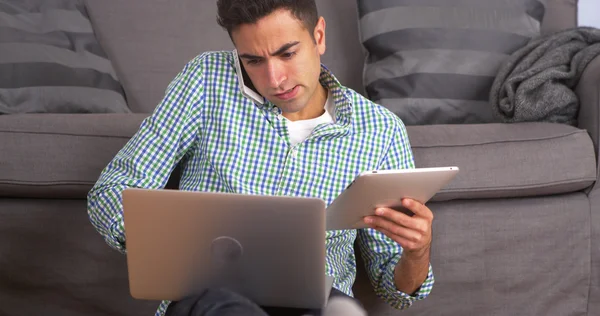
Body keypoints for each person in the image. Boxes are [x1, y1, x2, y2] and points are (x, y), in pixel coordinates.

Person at [87, 0, 435, 315]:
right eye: (253, 60)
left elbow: (395, 289)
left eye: (287, 54)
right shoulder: (206, 80)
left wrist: (417, 252)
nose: (275, 80)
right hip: (213, 295)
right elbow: (113, 190)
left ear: (319, 35)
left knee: (336, 311)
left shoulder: (379, 130)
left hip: (317, 302)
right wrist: (167, 249)